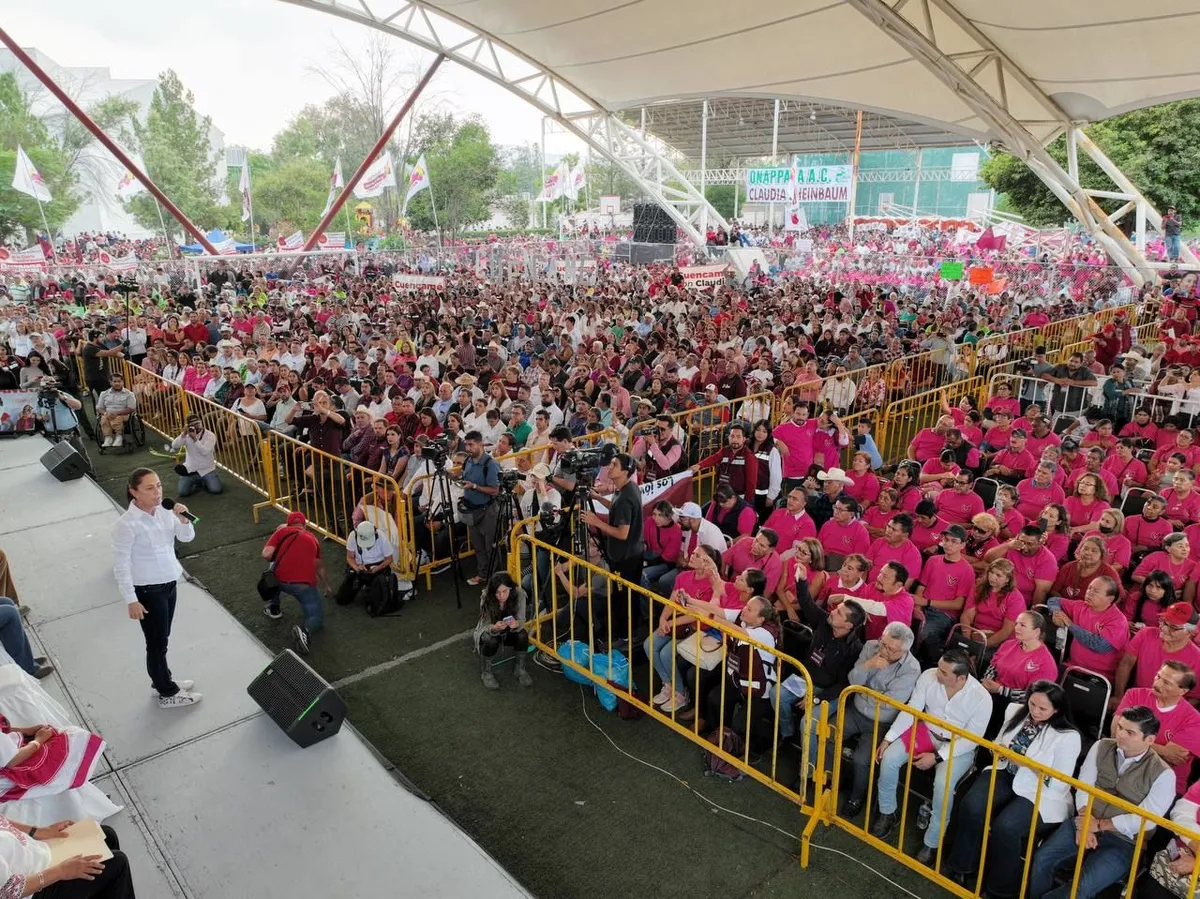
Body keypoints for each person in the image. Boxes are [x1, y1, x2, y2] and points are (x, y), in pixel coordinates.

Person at [945, 682, 1082, 899]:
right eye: (1032, 704)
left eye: (1042, 708)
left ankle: (1000, 888)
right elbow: (1000, 741)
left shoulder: (1068, 736)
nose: (1035, 711)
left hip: (1041, 791)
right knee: (972, 806)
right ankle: (962, 865)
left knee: (1007, 828)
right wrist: (997, 749)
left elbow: (1059, 783)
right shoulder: (1015, 712)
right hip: (1005, 771)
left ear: (1057, 709)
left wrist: (1025, 763)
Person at [1028, 706, 1174, 899]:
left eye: (1130, 732)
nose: (1121, 734)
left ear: (1150, 740)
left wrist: (1098, 825)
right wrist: (1086, 822)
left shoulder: (1164, 774)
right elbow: (1084, 785)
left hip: (1124, 841)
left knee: (1080, 888)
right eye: (1120, 727)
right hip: (1085, 819)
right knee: (1042, 858)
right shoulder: (1101, 746)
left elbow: (1147, 820)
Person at [871, 649, 991, 866]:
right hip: (925, 731)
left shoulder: (982, 698)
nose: (937, 673)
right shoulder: (928, 676)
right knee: (888, 759)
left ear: (961, 678)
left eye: (944, 672)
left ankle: (932, 842)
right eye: (939, 668)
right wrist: (889, 738)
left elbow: (971, 740)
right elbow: (912, 710)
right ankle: (887, 812)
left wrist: (936, 757)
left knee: (943, 786)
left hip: (958, 746)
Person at [110, 468, 201, 709]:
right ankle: (167, 692)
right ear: (134, 492)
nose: (157, 492)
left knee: (163, 637)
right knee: (157, 643)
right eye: (149, 488)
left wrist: (183, 520)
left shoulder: (165, 512)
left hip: (170, 583)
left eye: (159, 485)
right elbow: (121, 565)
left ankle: (161, 680)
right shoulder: (126, 525)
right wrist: (131, 600)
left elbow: (186, 538)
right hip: (148, 591)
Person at [835, 622, 922, 818]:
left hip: (881, 722)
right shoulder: (870, 647)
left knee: (862, 759)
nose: (884, 650)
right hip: (855, 710)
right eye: (883, 644)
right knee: (827, 732)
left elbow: (890, 702)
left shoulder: (911, 668)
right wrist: (868, 664)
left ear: (904, 651)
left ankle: (857, 797)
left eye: (891, 649)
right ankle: (833, 777)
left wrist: (863, 691)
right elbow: (853, 680)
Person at [0, 811, 136, 898]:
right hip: (33, 888)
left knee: (107, 836)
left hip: (36, 854)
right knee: (118, 863)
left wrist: (37, 831)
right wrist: (61, 871)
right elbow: (9, 892)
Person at [1114, 661, 1200, 796]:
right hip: (1120, 771)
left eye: (1166, 683)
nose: (1157, 683)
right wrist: (1162, 750)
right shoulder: (1134, 695)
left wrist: (1132, 740)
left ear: (1182, 691)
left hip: (1160, 785)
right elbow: (1116, 733)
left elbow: (1171, 758)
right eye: (1158, 676)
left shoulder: (1194, 719)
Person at [582, 453, 645, 614]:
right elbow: (617, 509)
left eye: (614, 465)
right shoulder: (628, 488)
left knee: (623, 598)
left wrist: (596, 522)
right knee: (626, 596)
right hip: (631, 553)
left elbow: (622, 533)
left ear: (625, 471)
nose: (609, 468)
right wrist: (598, 498)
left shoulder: (625, 497)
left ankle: (625, 629)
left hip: (625, 558)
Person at [261, 512, 330, 654]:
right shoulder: (313, 539)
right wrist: (327, 585)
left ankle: (274, 607)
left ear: (288, 524)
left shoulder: (281, 532)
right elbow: (319, 567)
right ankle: (305, 631)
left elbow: (267, 554)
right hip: (303, 585)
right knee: (316, 617)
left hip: (280, 580)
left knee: (273, 567)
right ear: (304, 525)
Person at [1113, 602, 1200, 706]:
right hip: (1135, 699)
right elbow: (1126, 664)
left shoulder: (1197, 658)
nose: (1164, 629)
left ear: (1191, 632)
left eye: (1173, 627)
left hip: (1168, 707)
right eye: (1163, 622)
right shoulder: (1145, 634)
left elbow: (1193, 698)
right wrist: (1119, 696)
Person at [473, 572, 531, 689]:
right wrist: (494, 628)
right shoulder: (486, 597)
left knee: (523, 635)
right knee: (490, 640)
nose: (501, 596)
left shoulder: (520, 594)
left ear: (511, 588)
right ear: (492, 592)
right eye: (497, 593)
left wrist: (516, 624)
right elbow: (485, 625)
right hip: (492, 631)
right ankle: (486, 672)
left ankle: (520, 668)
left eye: (505, 591)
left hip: (510, 631)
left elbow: (522, 620)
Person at [457, 430, 500, 587]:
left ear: (481, 444)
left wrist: (475, 486)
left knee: (491, 547)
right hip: (472, 510)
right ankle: (483, 575)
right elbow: (463, 477)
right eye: (466, 445)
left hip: (487, 511)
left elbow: (495, 490)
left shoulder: (491, 464)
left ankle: (496, 579)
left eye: (471, 445)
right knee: (478, 546)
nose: (468, 448)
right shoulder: (468, 461)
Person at [169, 415, 222, 496]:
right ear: (189, 426)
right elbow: (174, 445)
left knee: (216, 489)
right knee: (182, 492)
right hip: (191, 470)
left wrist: (195, 439)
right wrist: (183, 434)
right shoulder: (186, 435)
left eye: (198, 423)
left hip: (207, 470)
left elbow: (205, 451)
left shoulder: (210, 435)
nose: (197, 426)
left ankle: (206, 481)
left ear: (202, 422)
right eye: (194, 424)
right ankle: (198, 481)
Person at [94, 372, 136, 448]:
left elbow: (131, 408)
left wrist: (117, 413)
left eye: (119, 381)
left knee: (117, 418)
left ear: (123, 382)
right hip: (108, 414)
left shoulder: (129, 394)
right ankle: (108, 438)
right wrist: (106, 413)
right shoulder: (104, 394)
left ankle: (119, 436)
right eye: (115, 381)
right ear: (110, 382)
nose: (117, 383)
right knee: (104, 418)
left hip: (123, 414)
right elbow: (99, 407)